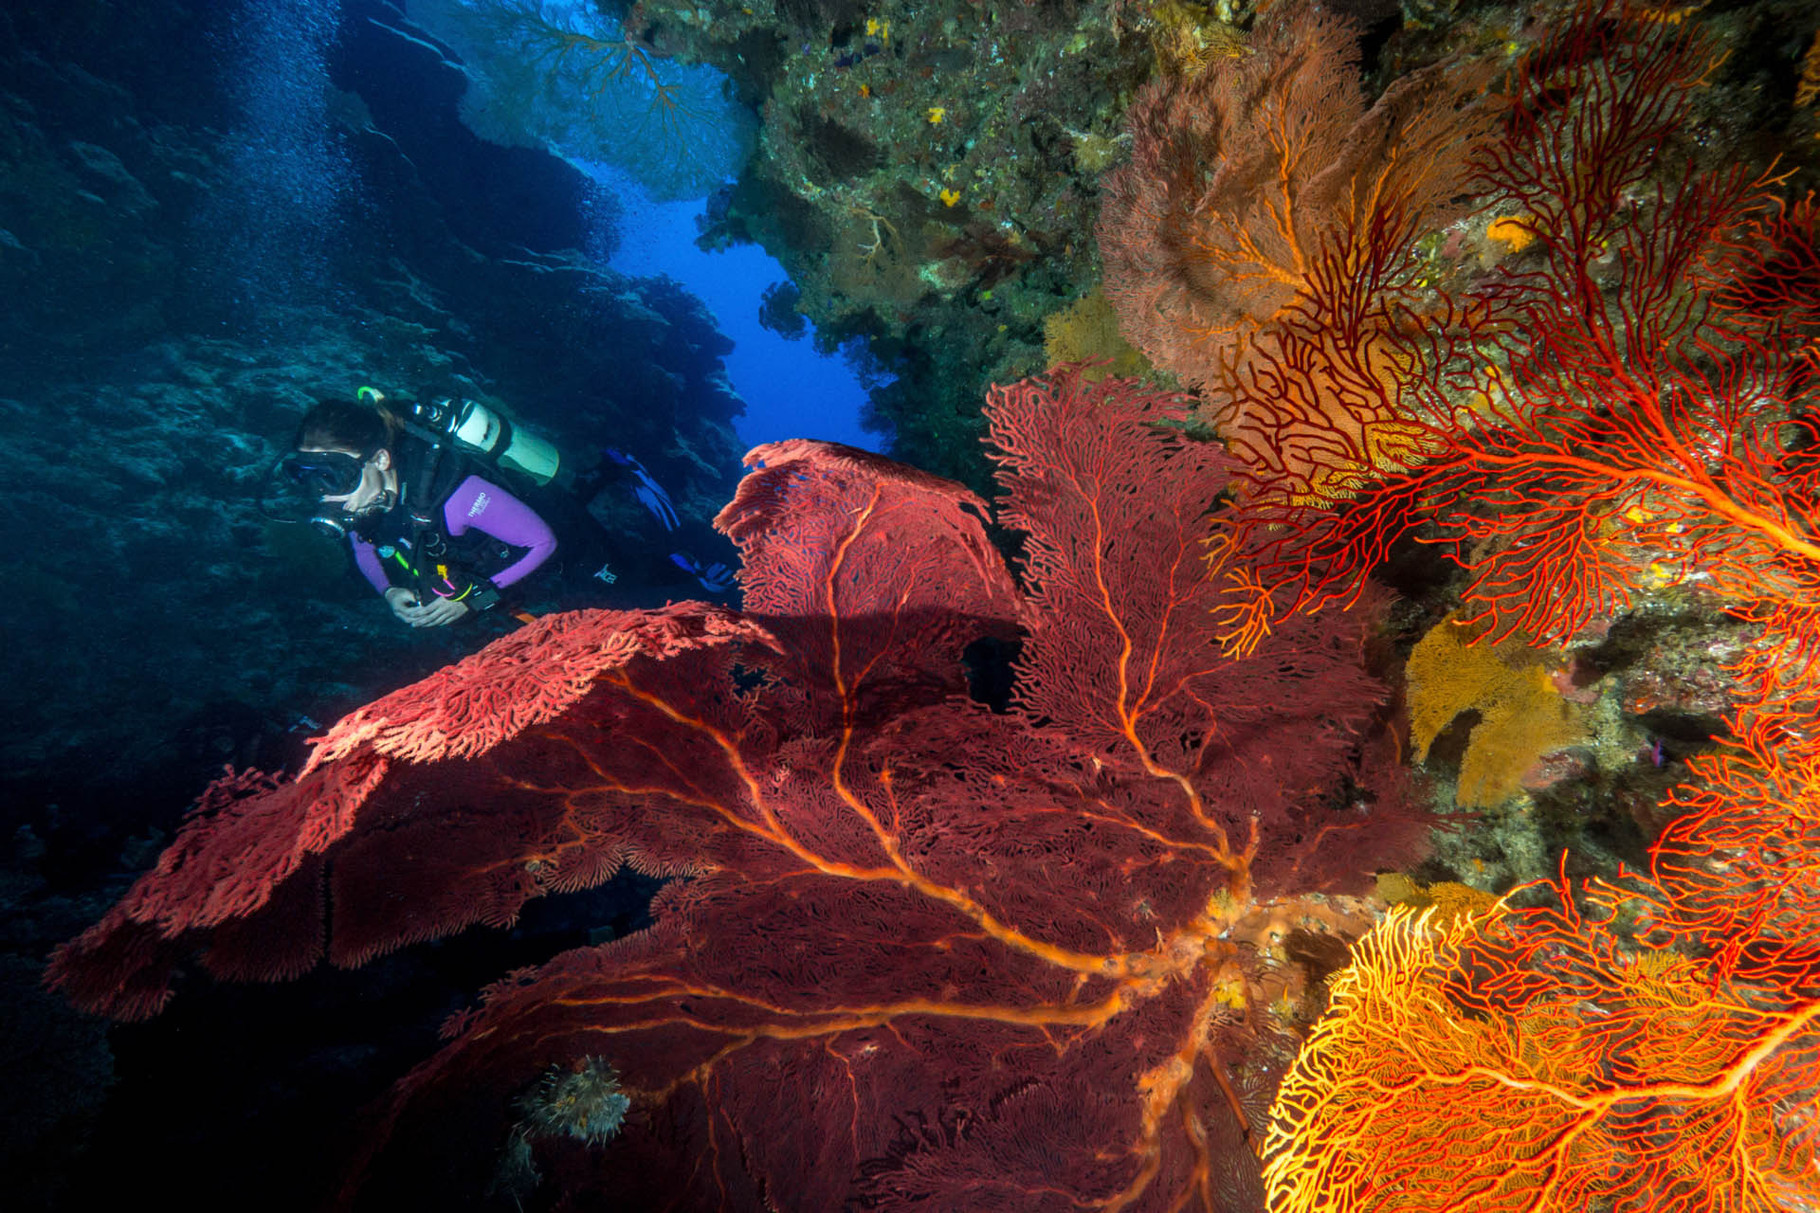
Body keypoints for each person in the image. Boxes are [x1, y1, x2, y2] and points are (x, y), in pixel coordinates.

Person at [273, 396, 558, 627]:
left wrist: (473, 600)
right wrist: (389, 591)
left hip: (560, 568)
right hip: (500, 595)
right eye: (309, 477)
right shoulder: (362, 501)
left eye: (336, 476)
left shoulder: (453, 493)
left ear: (380, 459)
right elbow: (363, 549)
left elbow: (543, 543)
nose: (328, 496)